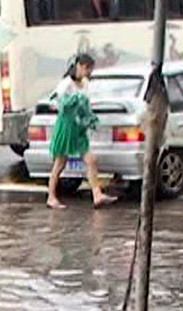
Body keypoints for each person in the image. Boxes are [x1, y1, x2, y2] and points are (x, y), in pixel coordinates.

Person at [46, 53, 118, 210]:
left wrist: (89, 118)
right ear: (79, 66)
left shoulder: (85, 83)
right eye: (87, 68)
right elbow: (57, 103)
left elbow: (86, 105)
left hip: (79, 127)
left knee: (91, 160)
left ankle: (97, 194)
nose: (88, 72)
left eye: (90, 69)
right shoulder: (66, 84)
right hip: (66, 126)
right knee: (60, 163)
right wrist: (69, 103)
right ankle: (51, 196)